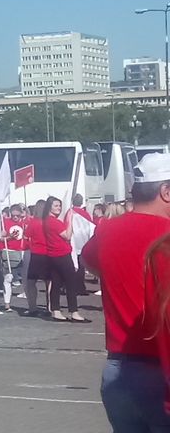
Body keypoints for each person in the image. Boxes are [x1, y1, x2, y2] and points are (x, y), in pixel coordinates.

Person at [82, 153, 170, 432]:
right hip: (162, 370)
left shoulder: (107, 230)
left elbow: (88, 261)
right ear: (165, 192)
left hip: (120, 369)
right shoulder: (166, 234)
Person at [38, 196, 85, 323]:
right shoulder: (54, 222)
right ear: (49, 207)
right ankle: (74, 311)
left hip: (53, 255)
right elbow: (67, 235)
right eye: (56, 206)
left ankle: (56, 310)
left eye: (59, 205)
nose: (59, 208)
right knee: (70, 282)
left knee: (56, 282)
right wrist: (70, 220)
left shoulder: (47, 221)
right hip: (62, 254)